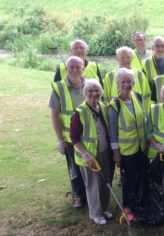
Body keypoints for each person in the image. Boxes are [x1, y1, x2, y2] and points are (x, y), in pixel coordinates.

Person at [70, 79, 113, 225]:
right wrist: (85, 153)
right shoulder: (80, 112)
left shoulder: (103, 106)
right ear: (84, 93)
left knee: (105, 181)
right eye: (90, 91)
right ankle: (95, 213)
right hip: (88, 156)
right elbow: (74, 137)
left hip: (103, 152)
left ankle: (104, 208)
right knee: (93, 185)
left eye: (96, 90)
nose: (94, 93)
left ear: (101, 92)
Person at [107, 68, 148, 209]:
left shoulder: (137, 97)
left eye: (129, 81)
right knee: (128, 180)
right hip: (126, 151)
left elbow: (143, 121)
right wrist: (116, 154)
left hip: (141, 148)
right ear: (117, 84)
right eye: (123, 82)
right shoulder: (114, 105)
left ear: (134, 83)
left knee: (140, 177)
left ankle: (139, 201)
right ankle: (127, 206)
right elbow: (112, 132)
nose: (126, 85)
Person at [50, 56, 87, 208]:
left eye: (78, 67)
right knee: (75, 169)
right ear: (66, 68)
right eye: (71, 67)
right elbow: (54, 115)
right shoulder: (58, 88)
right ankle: (78, 196)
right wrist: (60, 140)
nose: (74, 70)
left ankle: (91, 194)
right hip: (71, 139)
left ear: (83, 68)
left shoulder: (90, 84)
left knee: (90, 167)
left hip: (90, 137)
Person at [103, 46, 153, 114]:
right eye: (122, 58)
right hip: (117, 114)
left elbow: (147, 97)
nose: (125, 60)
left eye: (128, 57)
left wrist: (146, 114)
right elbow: (106, 99)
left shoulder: (140, 75)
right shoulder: (109, 76)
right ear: (117, 59)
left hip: (138, 114)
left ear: (132, 58)